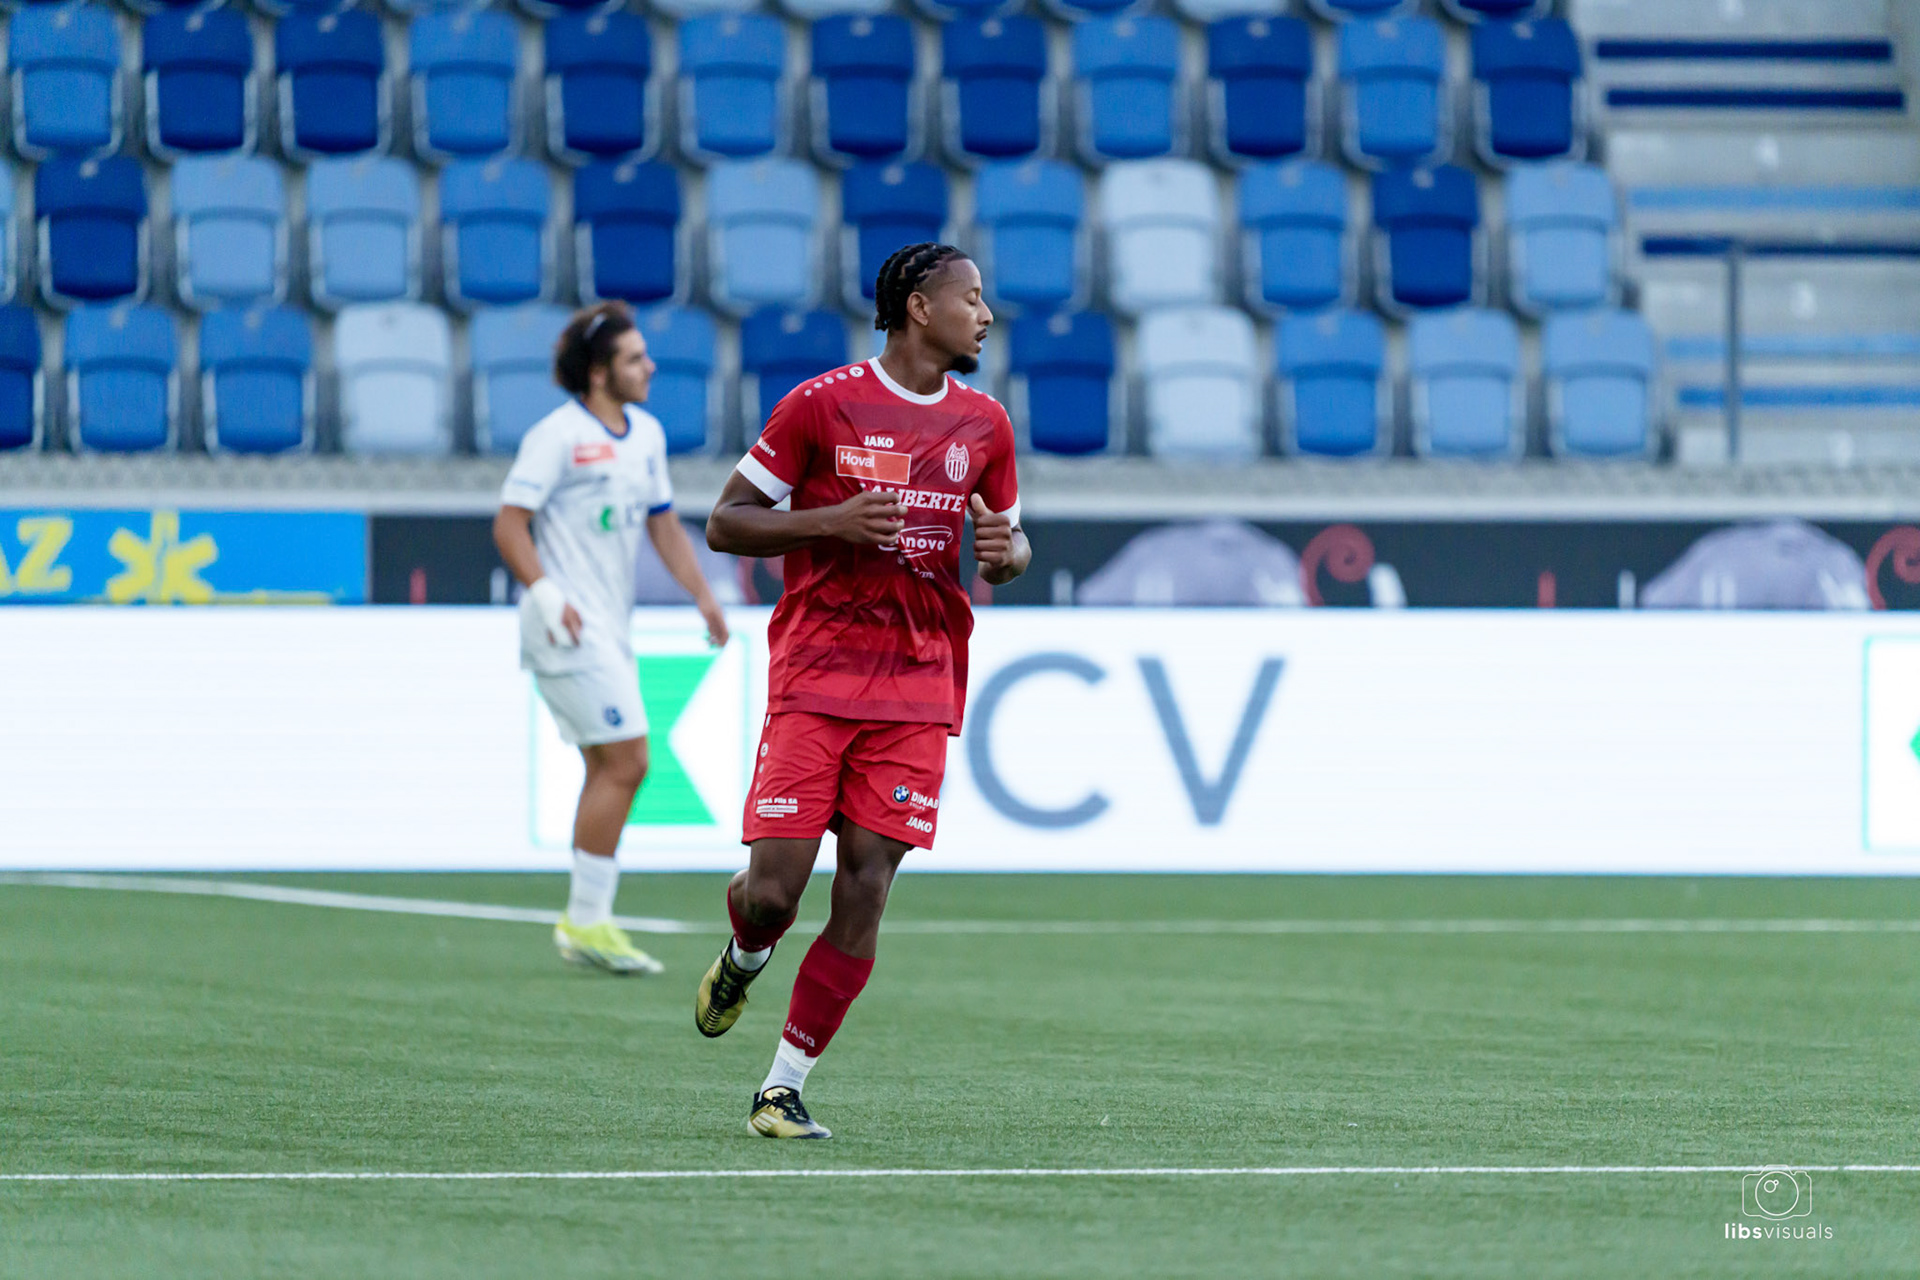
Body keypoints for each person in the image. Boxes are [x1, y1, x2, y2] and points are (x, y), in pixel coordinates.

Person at [698, 243, 1031, 1139]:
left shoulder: (986, 423)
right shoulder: (822, 404)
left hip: (919, 680)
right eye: (972, 297)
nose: (986, 313)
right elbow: (727, 521)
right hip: (815, 672)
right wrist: (832, 522)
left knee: (868, 882)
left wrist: (1011, 552)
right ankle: (744, 953)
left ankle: (782, 1084)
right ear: (920, 308)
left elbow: (1008, 531)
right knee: (774, 890)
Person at [493, 301, 729, 976]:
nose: (650, 366)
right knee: (628, 761)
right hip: (565, 625)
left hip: (609, 628)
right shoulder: (557, 435)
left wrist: (702, 592)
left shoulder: (646, 435)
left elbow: (661, 525)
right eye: (634, 358)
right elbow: (510, 525)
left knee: (611, 765)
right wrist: (545, 591)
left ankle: (587, 922)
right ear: (599, 373)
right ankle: (586, 920)